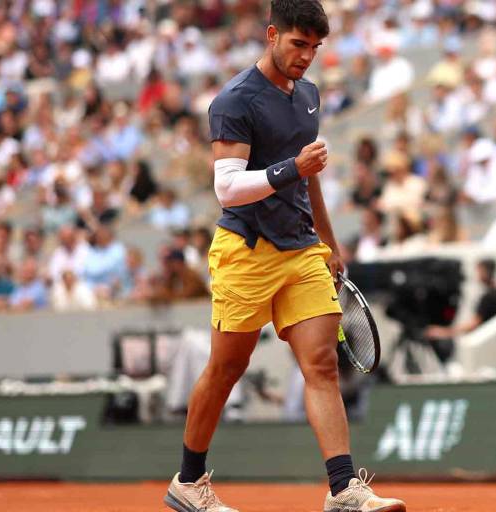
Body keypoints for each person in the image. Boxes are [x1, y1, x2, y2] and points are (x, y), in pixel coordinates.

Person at [164, 2, 406, 512]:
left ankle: (343, 489)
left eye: (315, 47)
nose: (307, 56)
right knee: (226, 367)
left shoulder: (309, 95)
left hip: (301, 249)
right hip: (246, 251)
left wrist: (329, 242)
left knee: (321, 363)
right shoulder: (234, 101)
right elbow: (228, 189)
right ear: (272, 35)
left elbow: (309, 176)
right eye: (299, 44)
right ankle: (188, 481)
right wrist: (291, 168)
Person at [425, 258, 496, 340]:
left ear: (485, 272)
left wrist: (444, 332)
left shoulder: (490, 297)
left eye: (479, 271)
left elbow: (473, 325)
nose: (477, 275)